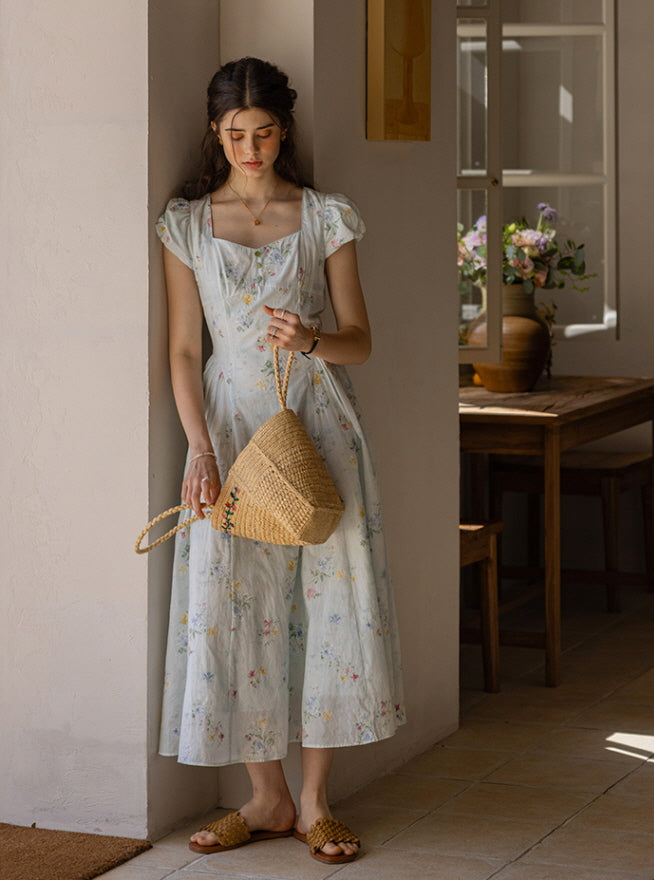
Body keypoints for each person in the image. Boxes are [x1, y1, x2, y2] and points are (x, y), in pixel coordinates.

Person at [156, 57, 405, 865]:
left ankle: (316, 804)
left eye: (264, 134)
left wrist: (312, 339)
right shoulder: (188, 225)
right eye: (235, 134)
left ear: (284, 131)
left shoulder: (325, 216)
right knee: (233, 599)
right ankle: (264, 799)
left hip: (317, 422)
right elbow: (185, 349)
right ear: (215, 133)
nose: (250, 148)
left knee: (329, 602)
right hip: (227, 429)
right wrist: (199, 449)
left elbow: (361, 341)